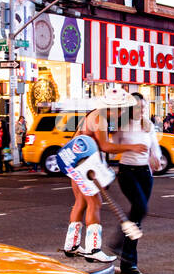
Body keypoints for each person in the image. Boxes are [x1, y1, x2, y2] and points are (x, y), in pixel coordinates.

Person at [61, 88, 147, 263]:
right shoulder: (100, 119)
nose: (123, 111)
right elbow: (105, 146)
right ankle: (93, 249)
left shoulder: (95, 115)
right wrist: (132, 147)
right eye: (121, 108)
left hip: (75, 161)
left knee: (80, 202)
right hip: (83, 165)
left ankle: (72, 246)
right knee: (95, 202)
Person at [114, 93, 162, 274]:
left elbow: (154, 145)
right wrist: (130, 148)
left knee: (137, 216)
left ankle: (128, 262)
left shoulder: (148, 124)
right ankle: (118, 243)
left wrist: (155, 157)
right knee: (140, 207)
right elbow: (111, 147)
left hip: (145, 173)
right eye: (137, 107)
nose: (141, 110)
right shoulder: (122, 124)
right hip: (127, 171)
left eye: (143, 107)